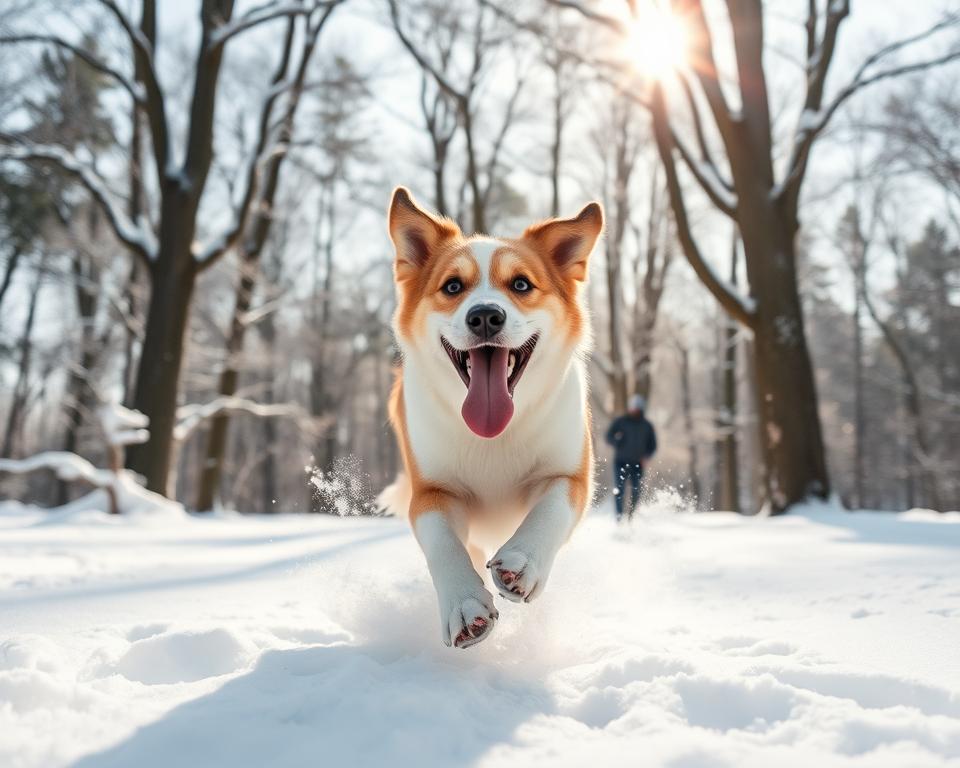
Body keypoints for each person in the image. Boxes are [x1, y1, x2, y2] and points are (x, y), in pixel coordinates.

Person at [605, 394, 657, 521]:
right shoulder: (621, 421)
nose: (634, 411)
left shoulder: (647, 425)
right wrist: (617, 442)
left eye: (637, 409)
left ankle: (631, 517)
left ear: (641, 409)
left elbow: (653, 445)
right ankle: (619, 517)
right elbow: (608, 436)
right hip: (620, 462)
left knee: (636, 490)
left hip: (637, 464)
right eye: (633, 408)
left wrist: (646, 457)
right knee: (619, 490)